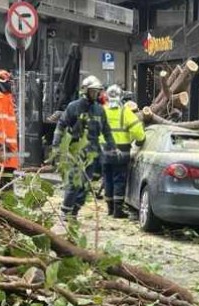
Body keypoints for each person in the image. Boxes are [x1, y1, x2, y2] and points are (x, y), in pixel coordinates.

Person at [52, 75, 115, 224]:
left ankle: (74, 212)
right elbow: (61, 126)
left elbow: (107, 130)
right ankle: (65, 212)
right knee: (74, 183)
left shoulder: (100, 110)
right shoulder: (73, 107)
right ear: (85, 91)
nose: (96, 94)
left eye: (97, 92)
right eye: (93, 91)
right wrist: (56, 146)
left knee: (85, 186)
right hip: (75, 152)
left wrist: (112, 146)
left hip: (92, 153)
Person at [102, 84, 145, 218]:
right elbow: (138, 132)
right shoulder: (125, 112)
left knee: (108, 179)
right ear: (121, 97)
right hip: (121, 152)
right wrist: (139, 141)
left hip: (104, 151)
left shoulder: (102, 111)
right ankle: (118, 210)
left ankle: (109, 208)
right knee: (119, 180)